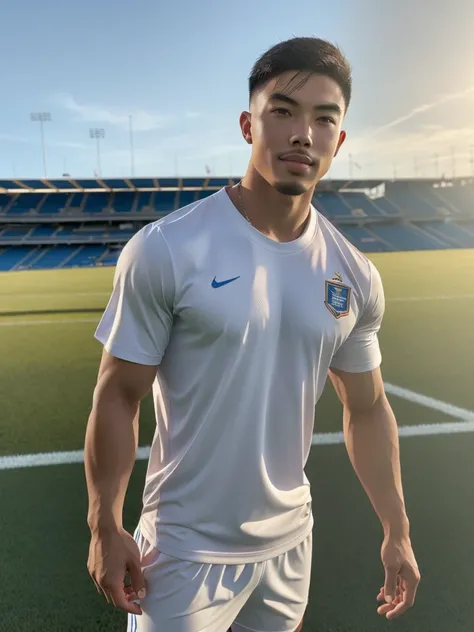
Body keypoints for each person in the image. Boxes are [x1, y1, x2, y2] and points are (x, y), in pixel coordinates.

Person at [85, 36, 421, 632]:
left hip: (289, 547)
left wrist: (397, 529)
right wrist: (105, 525)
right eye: (283, 111)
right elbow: (118, 394)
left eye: (324, 119)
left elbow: (367, 409)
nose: (302, 134)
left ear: (338, 142)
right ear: (248, 124)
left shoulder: (352, 275)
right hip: (184, 552)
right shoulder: (168, 249)